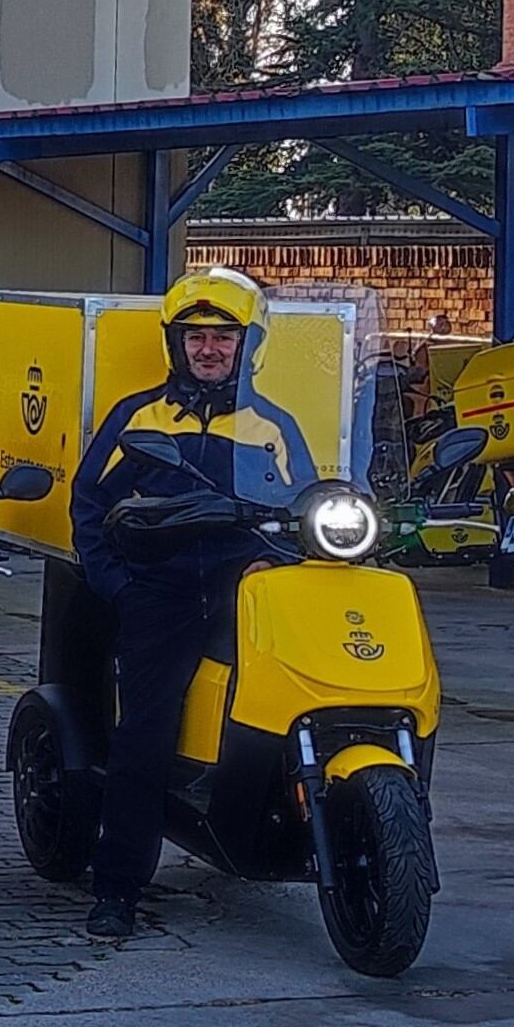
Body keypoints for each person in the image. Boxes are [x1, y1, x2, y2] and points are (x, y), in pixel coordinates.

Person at [71, 266, 316, 941]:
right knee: (144, 734)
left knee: (291, 700)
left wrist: (291, 553)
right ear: (175, 343)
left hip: (249, 586)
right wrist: (117, 582)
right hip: (164, 588)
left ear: (249, 344)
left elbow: (305, 501)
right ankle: (117, 887)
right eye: (196, 336)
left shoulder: (272, 425)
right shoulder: (142, 415)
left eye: (223, 337)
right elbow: (90, 503)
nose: (209, 349)